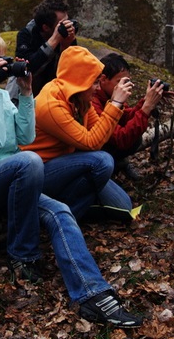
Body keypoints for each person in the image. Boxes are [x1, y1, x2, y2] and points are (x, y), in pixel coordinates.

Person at [0, 30, 144, 328]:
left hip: (13, 179)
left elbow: (24, 136)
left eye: (4, 58)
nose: (4, 64)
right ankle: (24, 254)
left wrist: (24, 94)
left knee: (59, 210)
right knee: (29, 160)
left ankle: (93, 296)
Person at [23, 46, 140, 222]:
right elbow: (92, 142)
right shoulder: (51, 104)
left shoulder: (80, 99)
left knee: (123, 207)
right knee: (103, 161)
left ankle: (75, 202)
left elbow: (100, 133)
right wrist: (115, 104)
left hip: (67, 162)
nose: (97, 88)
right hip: (40, 171)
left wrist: (133, 107)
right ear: (80, 81)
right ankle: (64, 216)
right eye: (93, 82)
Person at [92, 53, 167, 180]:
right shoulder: (92, 101)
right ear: (103, 79)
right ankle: (111, 168)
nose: (127, 86)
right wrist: (146, 108)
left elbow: (126, 117)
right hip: (93, 154)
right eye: (120, 81)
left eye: (127, 81)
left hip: (104, 147)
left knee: (135, 137)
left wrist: (147, 100)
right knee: (131, 139)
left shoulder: (111, 93)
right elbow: (121, 138)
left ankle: (118, 163)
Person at [7, 0, 77, 103]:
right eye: (62, 23)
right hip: (27, 89)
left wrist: (65, 47)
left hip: (52, 88)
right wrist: (53, 40)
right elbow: (28, 67)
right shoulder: (26, 35)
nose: (67, 25)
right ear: (46, 28)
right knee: (16, 74)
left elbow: (71, 70)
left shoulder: (66, 36)